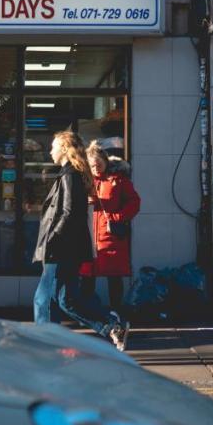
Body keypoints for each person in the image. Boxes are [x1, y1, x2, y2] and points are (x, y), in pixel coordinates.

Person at [32, 131, 128, 350]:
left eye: (54, 146)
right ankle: (111, 326)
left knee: (44, 297)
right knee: (67, 299)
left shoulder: (69, 175)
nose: (50, 150)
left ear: (65, 148)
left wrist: (53, 239)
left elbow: (67, 212)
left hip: (60, 247)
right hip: (70, 247)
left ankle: (45, 343)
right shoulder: (72, 174)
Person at [79, 142, 141, 313]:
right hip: (88, 234)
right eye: (92, 165)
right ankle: (88, 314)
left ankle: (116, 313)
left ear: (106, 162)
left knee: (114, 276)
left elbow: (134, 202)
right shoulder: (83, 181)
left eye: (99, 164)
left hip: (110, 235)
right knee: (86, 277)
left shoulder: (118, 180)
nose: (96, 168)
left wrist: (116, 217)